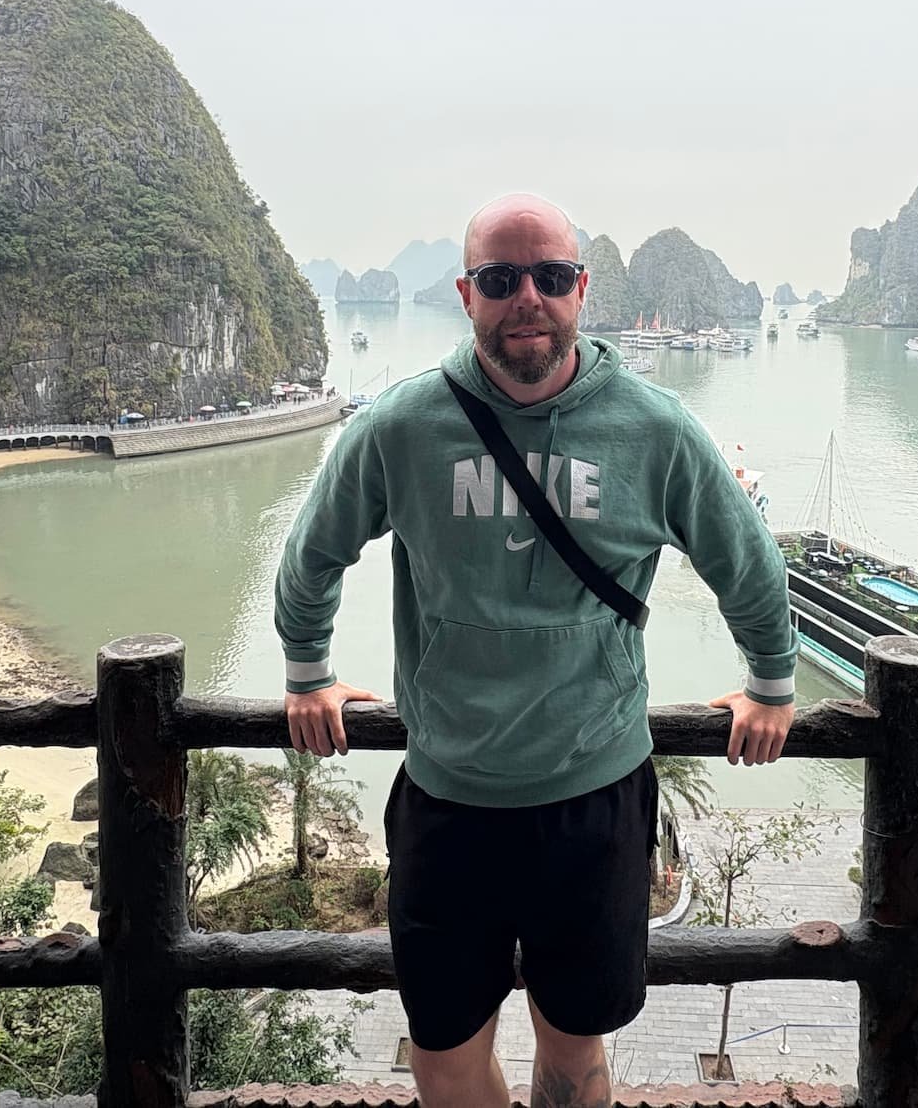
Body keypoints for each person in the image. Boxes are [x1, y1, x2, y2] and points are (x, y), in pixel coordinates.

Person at [275, 192, 796, 1108]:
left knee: (573, 1053)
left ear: (581, 290)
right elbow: (314, 550)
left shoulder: (654, 428)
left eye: (551, 277)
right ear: (466, 294)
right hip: (449, 794)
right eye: (501, 278)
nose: (528, 297)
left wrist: (772, 682)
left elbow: (745, 559)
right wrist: (307, 671)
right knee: (441, 1053)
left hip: (593, 795)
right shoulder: (402, 425)